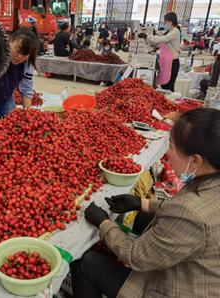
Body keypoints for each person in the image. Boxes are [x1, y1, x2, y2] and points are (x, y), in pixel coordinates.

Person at [73, 108, 220, 298]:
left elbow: (136, 257)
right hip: (197, 270)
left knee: (85, 264)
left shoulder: (191, 212)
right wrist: (140, 203)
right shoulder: (210, 182)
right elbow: (180, 216)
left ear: (196, 161)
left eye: (172, 146)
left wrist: (103, 222)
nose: (167, 153)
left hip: (178, 289)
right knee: (143, 217)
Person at [139, 12, 181, 92]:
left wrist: (147, 36)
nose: (164, 24)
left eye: (165, 22)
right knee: (164, 84)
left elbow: (161, 39)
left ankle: (170, 102)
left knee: (169, 86)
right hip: (166, 61)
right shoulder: (169, 31)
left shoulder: (175, 31)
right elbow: (159, 41)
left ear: (170, 22)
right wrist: (148, 40)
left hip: (172, 62)